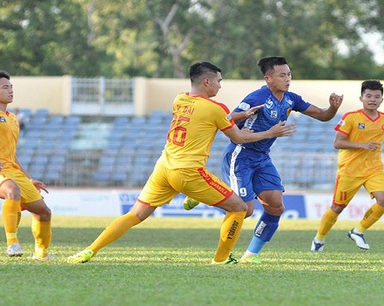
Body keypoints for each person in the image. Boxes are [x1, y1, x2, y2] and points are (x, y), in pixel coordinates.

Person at [67, 62, 296, 265]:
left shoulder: (180, 99)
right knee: (240, 209)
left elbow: (204, 119)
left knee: (135, 215)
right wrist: (271, 132)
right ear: (207, 82)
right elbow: (239, 138)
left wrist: (244, 116)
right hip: (189, 172)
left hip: (164, 167)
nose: (219, 86)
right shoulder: (217, 108)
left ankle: (90, 250)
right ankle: (221, 259)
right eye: (218, 81)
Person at [184, 56, 343, 264]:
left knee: (276, 206)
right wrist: (249, 117)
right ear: (268, 78)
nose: (287, 79)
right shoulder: (258, 96)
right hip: (240, 155)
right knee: (246, 210)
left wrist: (333, 107)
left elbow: (323, 116)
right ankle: (203, 194)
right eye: (282, 75)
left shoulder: (291, 98)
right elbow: (228, 118)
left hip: (262, 159)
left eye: (289, 74)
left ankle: (250, 255)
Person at [311, 79, 384, 252]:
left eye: (376, 96)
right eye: (369, 96)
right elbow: (337, 142)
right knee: (337, 207)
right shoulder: (351, 117)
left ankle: (358, 231)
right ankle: (319, 239)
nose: (372, 99)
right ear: (361, 98)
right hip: (349, 170)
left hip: (373, 169)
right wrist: (362, 145)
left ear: (381, 100)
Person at [0, 70, 53, 260]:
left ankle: (42, 254)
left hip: (11, 169)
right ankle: (12, 243)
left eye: (11, 87)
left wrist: (29, 178)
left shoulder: (12, 118)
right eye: (5, 87)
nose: (10, 90)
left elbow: (12, 154)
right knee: (12, 191)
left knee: (43, 212)